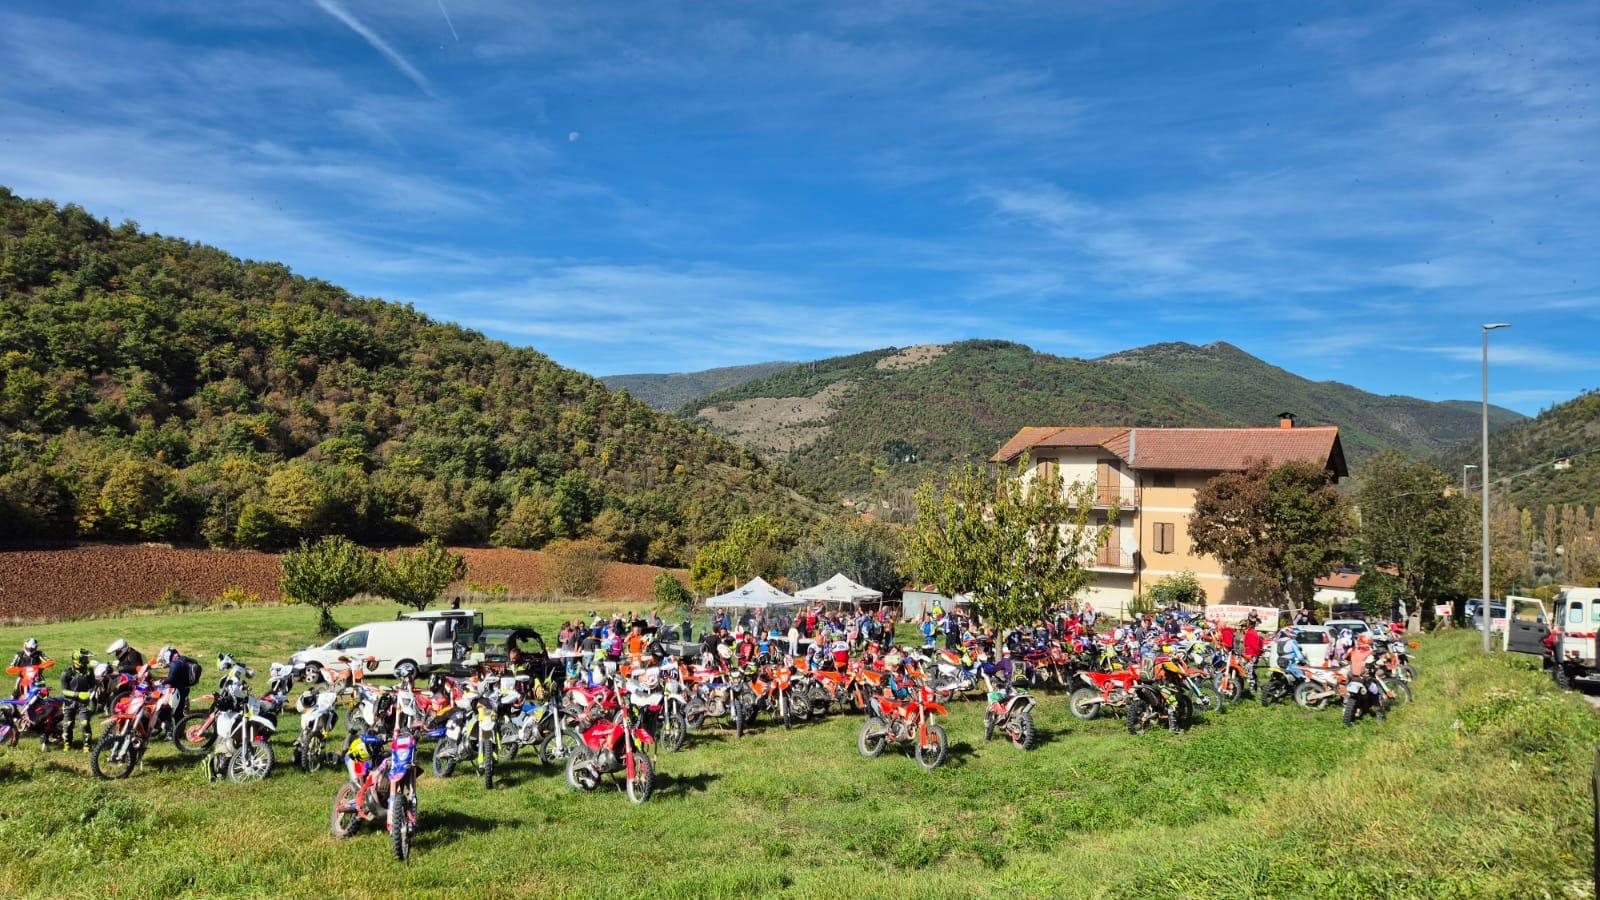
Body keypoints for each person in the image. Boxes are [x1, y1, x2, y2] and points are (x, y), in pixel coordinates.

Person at [59, 648, 97, 751]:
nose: (86, 661)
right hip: (69, 702)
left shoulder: (89, 671)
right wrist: (78, 694)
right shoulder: (66, 673)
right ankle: (67, 744)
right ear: (77, 660)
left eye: (86, 659)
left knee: (85, 723)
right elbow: (64, 691)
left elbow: (92, 685)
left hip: (84, 702)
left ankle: (87, 746)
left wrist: (91, 692)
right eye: (84, 659)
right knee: (67, 724)